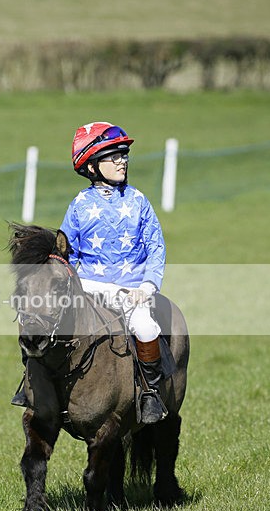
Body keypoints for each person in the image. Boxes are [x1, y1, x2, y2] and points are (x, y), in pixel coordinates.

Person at [12, 121, 167, 424]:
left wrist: (147, 287)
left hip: (131, 292)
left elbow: (156, 247)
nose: (122, 161)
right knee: (34, 319)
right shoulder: (80, 205)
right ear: (93, 166)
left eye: (124, 155)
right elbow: (65, 253)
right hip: (88, 288)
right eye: (114, 156)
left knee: (147, 329)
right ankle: (29, 383)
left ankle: (150, 393)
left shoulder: (139, 201)